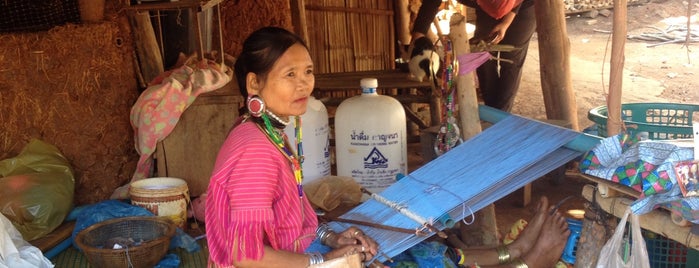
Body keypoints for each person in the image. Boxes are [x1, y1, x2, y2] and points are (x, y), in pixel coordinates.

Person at [205, 26, 379, 267]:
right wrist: (323, 260)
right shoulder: (255, 150)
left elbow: (292, 217)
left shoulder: (267, 133)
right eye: (290, 74)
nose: (304, 84)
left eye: (308, 71)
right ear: (254, 83)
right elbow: (244, 254)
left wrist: (332, 239)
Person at [411, 0, 536, 112]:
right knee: (482, 59)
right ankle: (492, 111)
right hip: (487, 9)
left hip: (522, 9)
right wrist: (418, 37)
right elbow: (431, 2)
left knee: (511, 62)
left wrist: (506, 23)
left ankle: (501, 116)